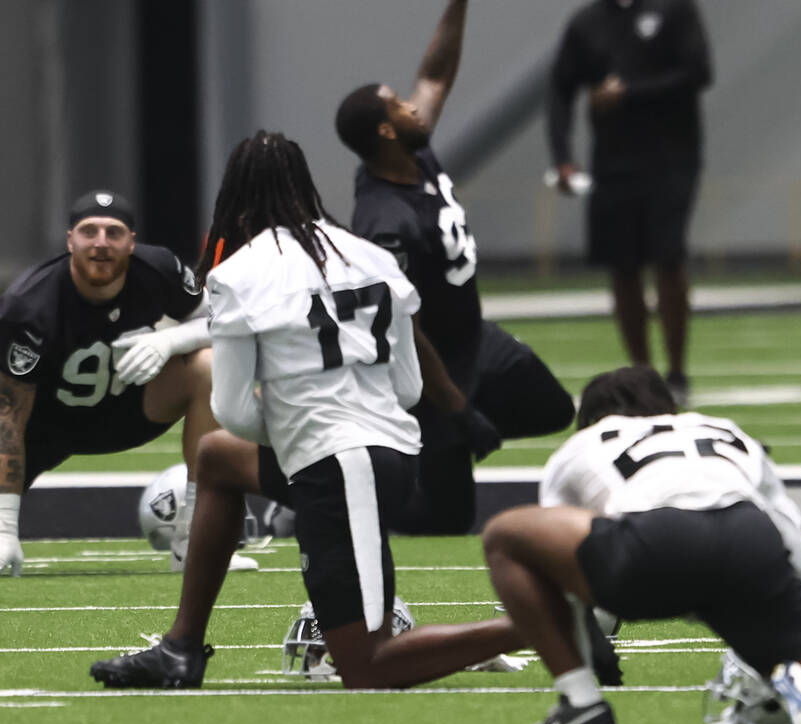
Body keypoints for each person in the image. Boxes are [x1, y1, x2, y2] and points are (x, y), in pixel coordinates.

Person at [92, 132, 527, 690]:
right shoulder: (368, 255)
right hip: (386, 455)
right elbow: (410, 388)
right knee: (218, 458)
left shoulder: (241, 273)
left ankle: (544, 624)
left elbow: (232, 410)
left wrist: (301, 433)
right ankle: (180, 648)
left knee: (366, 667)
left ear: (237, 196)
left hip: (342, 469)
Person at [482, 366, 801, 724]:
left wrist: (591, 644)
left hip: (657, 543)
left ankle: (580, 709)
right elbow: (788, 532)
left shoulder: (587, 443)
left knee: (504, 535)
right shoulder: (724, 429)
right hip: (749, 544)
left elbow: (558, 557)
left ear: (592, 418)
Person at [339, 0, 575, 533]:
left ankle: (426, 448)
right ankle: (345, 495)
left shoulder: (413, 155)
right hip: (429, 367)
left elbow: (435, 74)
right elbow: (405, 326)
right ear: (383, 132)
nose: (413, 107)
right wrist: (458, 410)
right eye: (398, 105)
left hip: (475, 339)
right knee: (447, 521)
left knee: (553, 408)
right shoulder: (384, 221)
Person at [0, 189, 254, 576]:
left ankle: (197, 542)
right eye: (89, 231)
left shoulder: (157, 270)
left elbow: (227, 322)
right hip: (44, 426)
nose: (101, 243)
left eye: (113, 232)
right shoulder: (28, 304)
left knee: (210, 364)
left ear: (131, 242)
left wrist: (170, 339)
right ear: (70, 240)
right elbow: (8, 419)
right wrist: (4, 529)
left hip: (128, 408)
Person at [547, 0, 712, 405]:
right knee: (622, 266)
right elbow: (560, 88)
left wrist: (630, 91)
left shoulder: (674, 9)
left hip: (672, 157)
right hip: (613, 162)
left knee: (668, 257)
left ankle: (676, 372)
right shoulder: (587, 22)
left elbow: (698, 72)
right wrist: (563, 157)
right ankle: (643, 373)